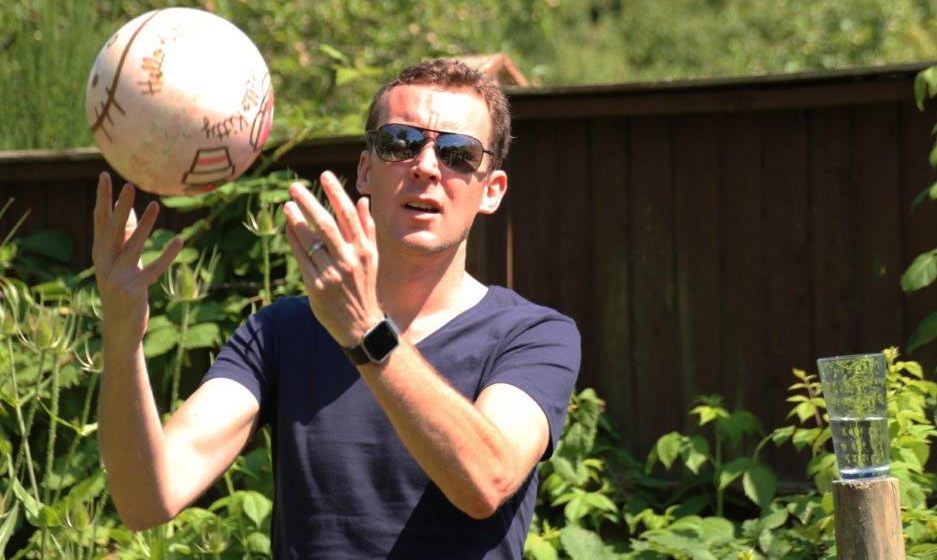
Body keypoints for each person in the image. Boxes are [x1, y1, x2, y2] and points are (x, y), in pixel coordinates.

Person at [92, 59, 581, 558]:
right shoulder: (281, 332)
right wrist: (123, 335)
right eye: (400, 142)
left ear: (491, 191)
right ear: (366, 170)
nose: (426, 166)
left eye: (458, 152)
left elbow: (486, 482)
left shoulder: (533, 335)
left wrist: (367, 332)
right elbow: (147, 499)